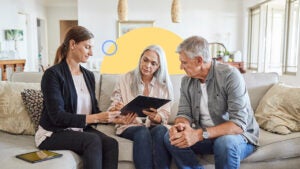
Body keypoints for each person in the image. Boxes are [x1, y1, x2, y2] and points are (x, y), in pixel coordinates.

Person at [163, 36, 259, 169]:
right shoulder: (187, 81)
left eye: (184, 62)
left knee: (224, 142)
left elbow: (238, 124)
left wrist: (198, 134)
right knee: (170, 137)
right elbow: (184, 113)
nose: (181, 67)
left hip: (238, 137)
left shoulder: (230, 76)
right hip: (206, 137)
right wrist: (181, 126)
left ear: (199, 60)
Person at [35, 26, 119, 169]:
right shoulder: (53, 75)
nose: (91, 53)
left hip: (79, 129)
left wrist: (115, 117)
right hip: (53, 133)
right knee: (92, 140)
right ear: (73, 44)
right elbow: (57, 116)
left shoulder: (88, 76)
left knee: (111, 144)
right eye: (87, 47)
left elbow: (94, 111)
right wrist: (98, 117)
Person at [108, 45, 173, 169]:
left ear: (159, 66)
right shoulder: (125, 79)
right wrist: (119, 110)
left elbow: (165, 114)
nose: (148, 65)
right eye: (145, 60)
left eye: (153, 63)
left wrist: (156, 117)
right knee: (142, 131)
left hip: (153, 126)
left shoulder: (164, 85)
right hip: (130, 125)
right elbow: (112, 109)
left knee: (161, 131)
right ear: (140, 58)